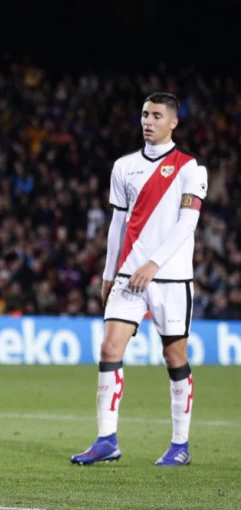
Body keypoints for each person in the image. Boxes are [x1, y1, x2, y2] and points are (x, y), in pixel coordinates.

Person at [71, 92, 207, 467]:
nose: (148, 121)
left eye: (157, 116)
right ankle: (106, 440)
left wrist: (155, 264)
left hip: (171, 279)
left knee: (174, 356)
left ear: (173, 122)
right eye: (145, 114)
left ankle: (180, 444)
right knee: (109, 349)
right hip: (128, 275)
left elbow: (187, 224)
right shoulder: (124, 167)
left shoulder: (190, 168)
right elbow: (117, 225)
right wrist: (108, 273)